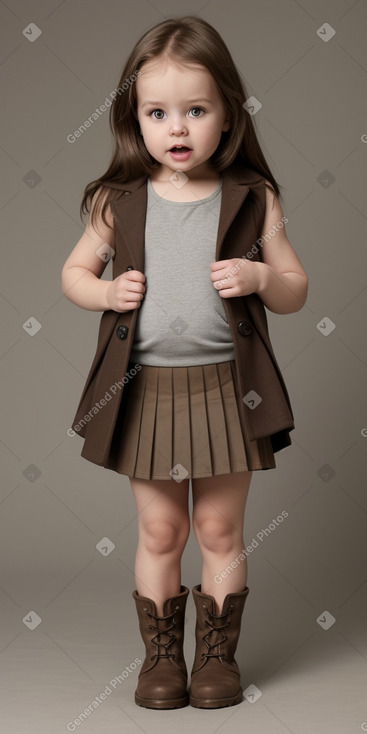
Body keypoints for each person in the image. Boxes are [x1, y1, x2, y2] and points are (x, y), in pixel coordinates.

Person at [61, 15, 308, 711]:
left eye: (195, 110)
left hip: (230, 392)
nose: (177, 128)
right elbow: (73, 273)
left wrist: (261, 279)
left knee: (219, 529)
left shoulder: (253, 198)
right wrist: (107, 290)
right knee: (160, 529)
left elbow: (295, 287)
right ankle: (161, 659)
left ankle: (217, 658)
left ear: (227, 115)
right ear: (133, 118)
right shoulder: (118, 202)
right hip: (145, 392)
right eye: (157, 112)